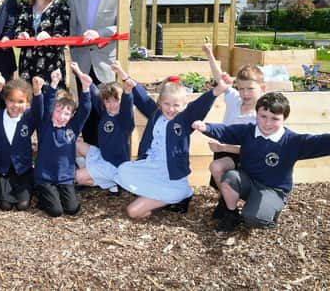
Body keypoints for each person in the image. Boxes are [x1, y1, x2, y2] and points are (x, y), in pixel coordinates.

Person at [192, 92, 330, 232]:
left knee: (253, 219)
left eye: (275, 118)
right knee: (230, 178)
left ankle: (269, 211)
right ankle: (231, 213)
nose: (267, 123)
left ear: (284, 119)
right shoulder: (248, 131)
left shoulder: (292, 142)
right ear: (256, 113)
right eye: (263, 116)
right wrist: (207, 128)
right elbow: (226, 131)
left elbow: (319, 142)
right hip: (248, 181)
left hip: (273, 189)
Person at [111, 63, 227, 219]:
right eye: (167, 104)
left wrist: (217, 90)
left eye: (176, 105)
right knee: (123, 170)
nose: (171, 109)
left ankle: (181, 196)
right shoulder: (155, 114)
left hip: (172, 176)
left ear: (183, 105)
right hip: (152, 167)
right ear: (159, 103)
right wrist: (123, 74)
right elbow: (141, 97)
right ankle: (167, 199)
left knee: (133, 212)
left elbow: (199, 106)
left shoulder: (184, 120)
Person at [202, 43, 266, 219]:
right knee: (216, 167)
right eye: (241, 88)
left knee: (218, 167)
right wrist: (209, 53)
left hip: (246, 156)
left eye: (250, 89)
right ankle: (225, 200)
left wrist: (222, 147)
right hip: (225, 150)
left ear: (263, 89)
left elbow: (252, 148)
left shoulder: (261, 116)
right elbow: (219, 79)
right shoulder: (234, 100)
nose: (245, 93)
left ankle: (228, 202)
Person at [68, 0, 126, 146]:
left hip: (106, 62)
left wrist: (100, 33)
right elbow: (71, 27)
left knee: (109, 109)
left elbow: (126, 25)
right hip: (82, 61)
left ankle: (109, 153)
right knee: (87, 111)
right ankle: (90, 154)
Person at [33, 64, 92, 217]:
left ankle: (56, 194)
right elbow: (47, 104)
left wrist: (85, 88)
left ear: (71, 116)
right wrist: (53, 84)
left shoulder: (72, 128)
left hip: (64, 177)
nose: (61, 116)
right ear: (52, 111)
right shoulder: (45, 125)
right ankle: (40, 192)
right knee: (56, 211)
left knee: (72, 209)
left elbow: (85, 110)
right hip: (45, 177)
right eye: (58, 111)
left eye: (66, 113)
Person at [74, 61, 134, 195]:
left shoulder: (124, 120)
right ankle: (93, 172)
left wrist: (128, 92)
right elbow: (93, 90)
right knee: (75, 145)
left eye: (116, 100)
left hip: (113, 166)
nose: (112, 105)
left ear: (121, 101)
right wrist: (78, 71)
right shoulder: (104, 112)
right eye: (108, 101)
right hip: (101, 156)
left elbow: (128, 106)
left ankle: (112, 181)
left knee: (77, 177)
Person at [0, 73, 44, 211]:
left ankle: (28, 188)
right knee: (5, 206)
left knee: (23, 205)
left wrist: (37, 93)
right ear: (5, 100)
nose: (15, 105)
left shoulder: (28, 117)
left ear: (27, 103)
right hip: (2, 168)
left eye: (20, 102)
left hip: (22, 168)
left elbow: (39, 113)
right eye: (11, 100)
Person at [15, 0, 69, 88]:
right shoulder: (24, 7)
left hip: (52, 65)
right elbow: (17, 30)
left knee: (52, 103)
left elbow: (63, 34)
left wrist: (50, 38)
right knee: (28, 102)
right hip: (27, 66)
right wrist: (20, 35)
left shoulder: (60, 6)